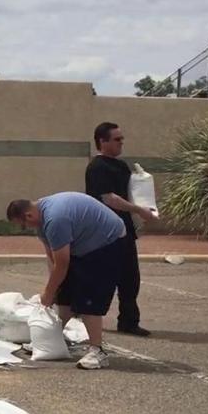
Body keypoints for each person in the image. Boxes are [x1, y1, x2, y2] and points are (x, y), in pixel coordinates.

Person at [6, 192, 127, 370]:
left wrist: (48, 293)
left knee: (88, 299)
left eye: (24, 225)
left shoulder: (55, 220)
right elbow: (53, 258)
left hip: (106, 243)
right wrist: (54, 289)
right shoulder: (41, 219)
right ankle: (50, 339)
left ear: (28, 215)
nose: (27, 228)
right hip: (82, 244)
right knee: (66, 296)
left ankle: (97, 351)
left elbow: (62, 263)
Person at [86, 122, 156, 336]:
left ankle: (128, 321)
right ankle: (83, 316)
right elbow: (109, 198)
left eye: (121, 139)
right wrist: (139, 209)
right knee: (101, 278)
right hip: (104, 233)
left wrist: (146, 204)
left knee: (130, 278)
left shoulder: (121, 166)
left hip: (125, 230)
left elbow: (129, 194)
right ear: (102, 141)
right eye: (117, 139)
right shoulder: (97, 167)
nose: (121, 143)